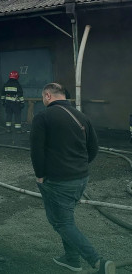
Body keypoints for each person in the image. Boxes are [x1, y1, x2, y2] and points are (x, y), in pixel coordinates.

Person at [30, 83, 114, 273]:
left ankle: (98, 263)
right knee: (66, 218)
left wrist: (40, 175)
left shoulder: (43, 117)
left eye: (43, 97)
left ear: (48, 95)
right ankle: (71, 259)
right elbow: (93, 148)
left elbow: (37, 151)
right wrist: (79, 166)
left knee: (62, 223)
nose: (43, 100)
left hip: (58, 181)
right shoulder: (81, 117)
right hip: (81, 178)